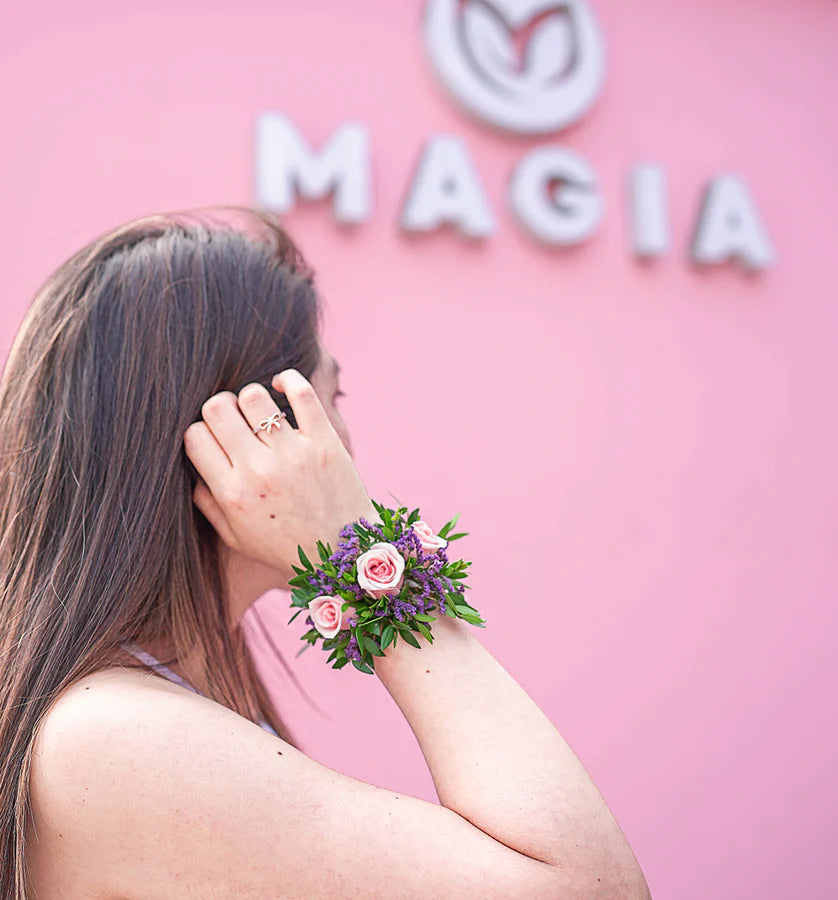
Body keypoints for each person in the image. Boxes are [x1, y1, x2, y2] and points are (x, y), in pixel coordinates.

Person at [0, 206, 651, 899]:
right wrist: (365, 554)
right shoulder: (115, 739)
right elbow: (592, 888)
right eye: (329, 398)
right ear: (249, 438)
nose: (344, 446)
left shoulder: (127, 719)